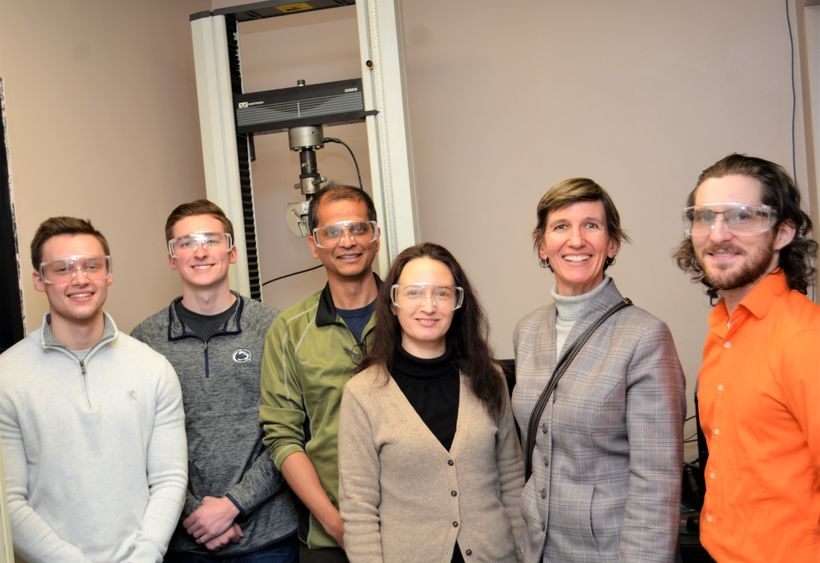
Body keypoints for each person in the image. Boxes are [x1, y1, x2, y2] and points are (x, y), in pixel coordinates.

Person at [512, 179, 686, 562]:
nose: (576, 240)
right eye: (560, 227)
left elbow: (657, 483)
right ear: (542, 245)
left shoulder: (645, 336)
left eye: (591, 225)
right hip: (537, 550)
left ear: (612, 244)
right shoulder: (528, 331)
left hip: (608, 552)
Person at [0, 216, 187, 562]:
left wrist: (146, 554)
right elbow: (8, 500)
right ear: (39, 280)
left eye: (91, 265)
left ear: (108, 273)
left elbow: (169, 478)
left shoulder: (152, 368)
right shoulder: (7, 376)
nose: (80, 279)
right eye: (62, 268)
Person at [132, 200, 298, 561]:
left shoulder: (273, 328)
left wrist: (234, 504)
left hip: (268, 538)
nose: (200, 251)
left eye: (211, 239)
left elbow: (291, 431)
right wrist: (193, 511)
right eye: (186, 242)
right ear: (171, 258)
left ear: (233, 251)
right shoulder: (145, 340)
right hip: (183, 538)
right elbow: (138, 442)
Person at [338, 242, 525, 562]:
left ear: (457, 303)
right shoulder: (363, 393)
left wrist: (525, 554)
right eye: (414, 293)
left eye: (442, 293)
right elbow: (359, 510)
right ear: (393, 303)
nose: (429, 306)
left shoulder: (490, 378)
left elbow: (512, 481)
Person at [675, 153, 820, 562]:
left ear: (783, 233)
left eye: (742, 216)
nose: (718, 234)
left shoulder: (805, 339)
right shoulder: (723, 331)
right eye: (705, 217)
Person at [260, 183, 381, 562]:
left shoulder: (412, 315)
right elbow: (283, 437)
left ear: (375, 237)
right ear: (314, 245)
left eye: (358, 228)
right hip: (330, 539)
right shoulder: (291, 329)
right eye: (332, 231)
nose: (348, 241)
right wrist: (335, 523)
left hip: (414, 528)